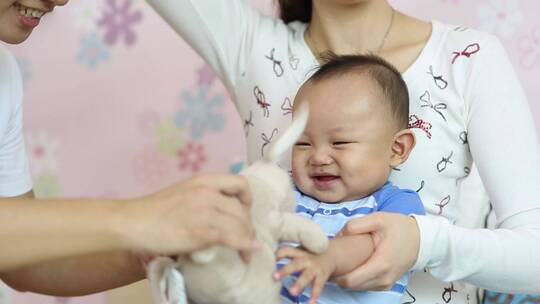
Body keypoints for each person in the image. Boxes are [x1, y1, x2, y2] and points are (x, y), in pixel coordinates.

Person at [146, 0, 540, 302]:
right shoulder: (251, 47)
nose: (320, 157)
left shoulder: (467, 56)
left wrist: (424, 243)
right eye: (304, 142)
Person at [0, 0, 257, 297]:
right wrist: (140, 218)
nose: (60, 0)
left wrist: (151, 249)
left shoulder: (5, 74)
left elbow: (23, 259)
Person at [274, 54, 425, 304]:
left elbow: (377, 244)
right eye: (302, 143)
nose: (319, 157)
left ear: (396, 149)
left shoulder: (396, 205)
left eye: (340, 142)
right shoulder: (287, 196)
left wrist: (330, 257)